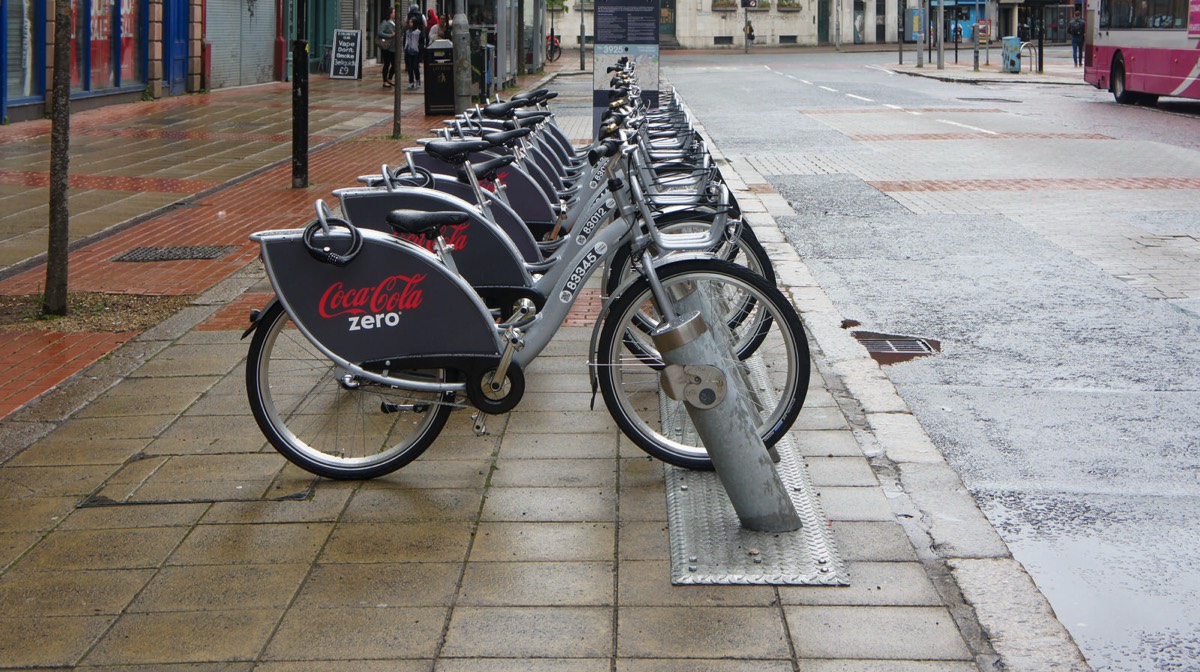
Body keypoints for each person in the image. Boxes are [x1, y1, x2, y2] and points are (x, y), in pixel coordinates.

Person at [403, 17, 424, 89]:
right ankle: (411, 82)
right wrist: (405, 48)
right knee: (410, 68)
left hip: (416, 52)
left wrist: (420, 51)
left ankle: (417, 80)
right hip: (408, 51)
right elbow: (404, 41)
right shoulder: (407, 32)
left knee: (415, 67)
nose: (410, 24)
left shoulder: (419, 32)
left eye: (411, 22)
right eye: (409, 22)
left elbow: (421, 43)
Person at [378, 7, 397, 88]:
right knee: (387, 64)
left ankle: (389, 78)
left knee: (395, 64)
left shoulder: (394, 22)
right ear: (390, 14)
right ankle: (385, 81)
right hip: (387, 47)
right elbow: (380, 33)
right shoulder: (385, 23)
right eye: (393, 12)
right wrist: (390, 35)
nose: (395, 14)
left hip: (394, 47)